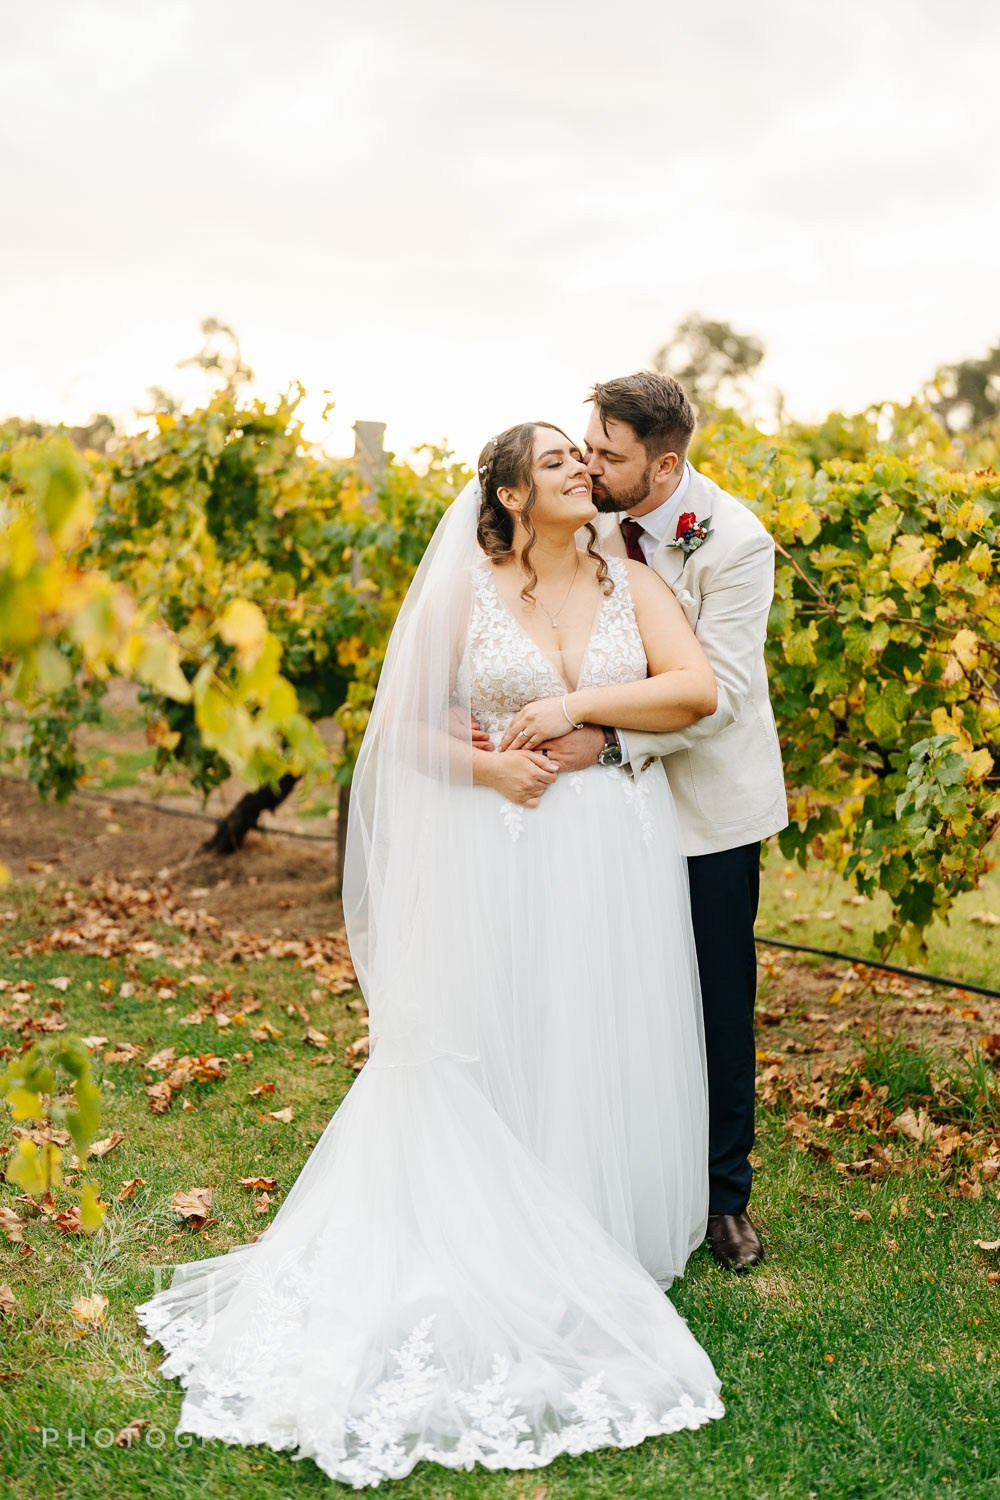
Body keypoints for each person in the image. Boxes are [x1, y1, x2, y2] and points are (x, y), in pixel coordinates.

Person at [135, 421, 725, 1489]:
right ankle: (493, 1228)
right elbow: (395, 732)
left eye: (582, 461)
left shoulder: (633, 582)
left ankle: (591, 1226)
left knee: (593, 1019)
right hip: (495, 842)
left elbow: (694, 693)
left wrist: (577, 707)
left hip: (608, 849)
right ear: (504, 496)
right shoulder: (466, 588)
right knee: (494, 1024)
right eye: (556, 463)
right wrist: (486, 772)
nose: (581, 473)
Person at [529, 371, 788, 1273]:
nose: (591, 465)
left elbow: (719, 701)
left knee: (718, 998)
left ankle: (723, 1198)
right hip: (603, 813)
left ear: (664, 463)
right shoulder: (589, 515)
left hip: (708, 807)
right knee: (619, 989)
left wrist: (598, 740)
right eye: (588, 446)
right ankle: (624, 1171)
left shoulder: (737, 542)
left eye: (609, 454)